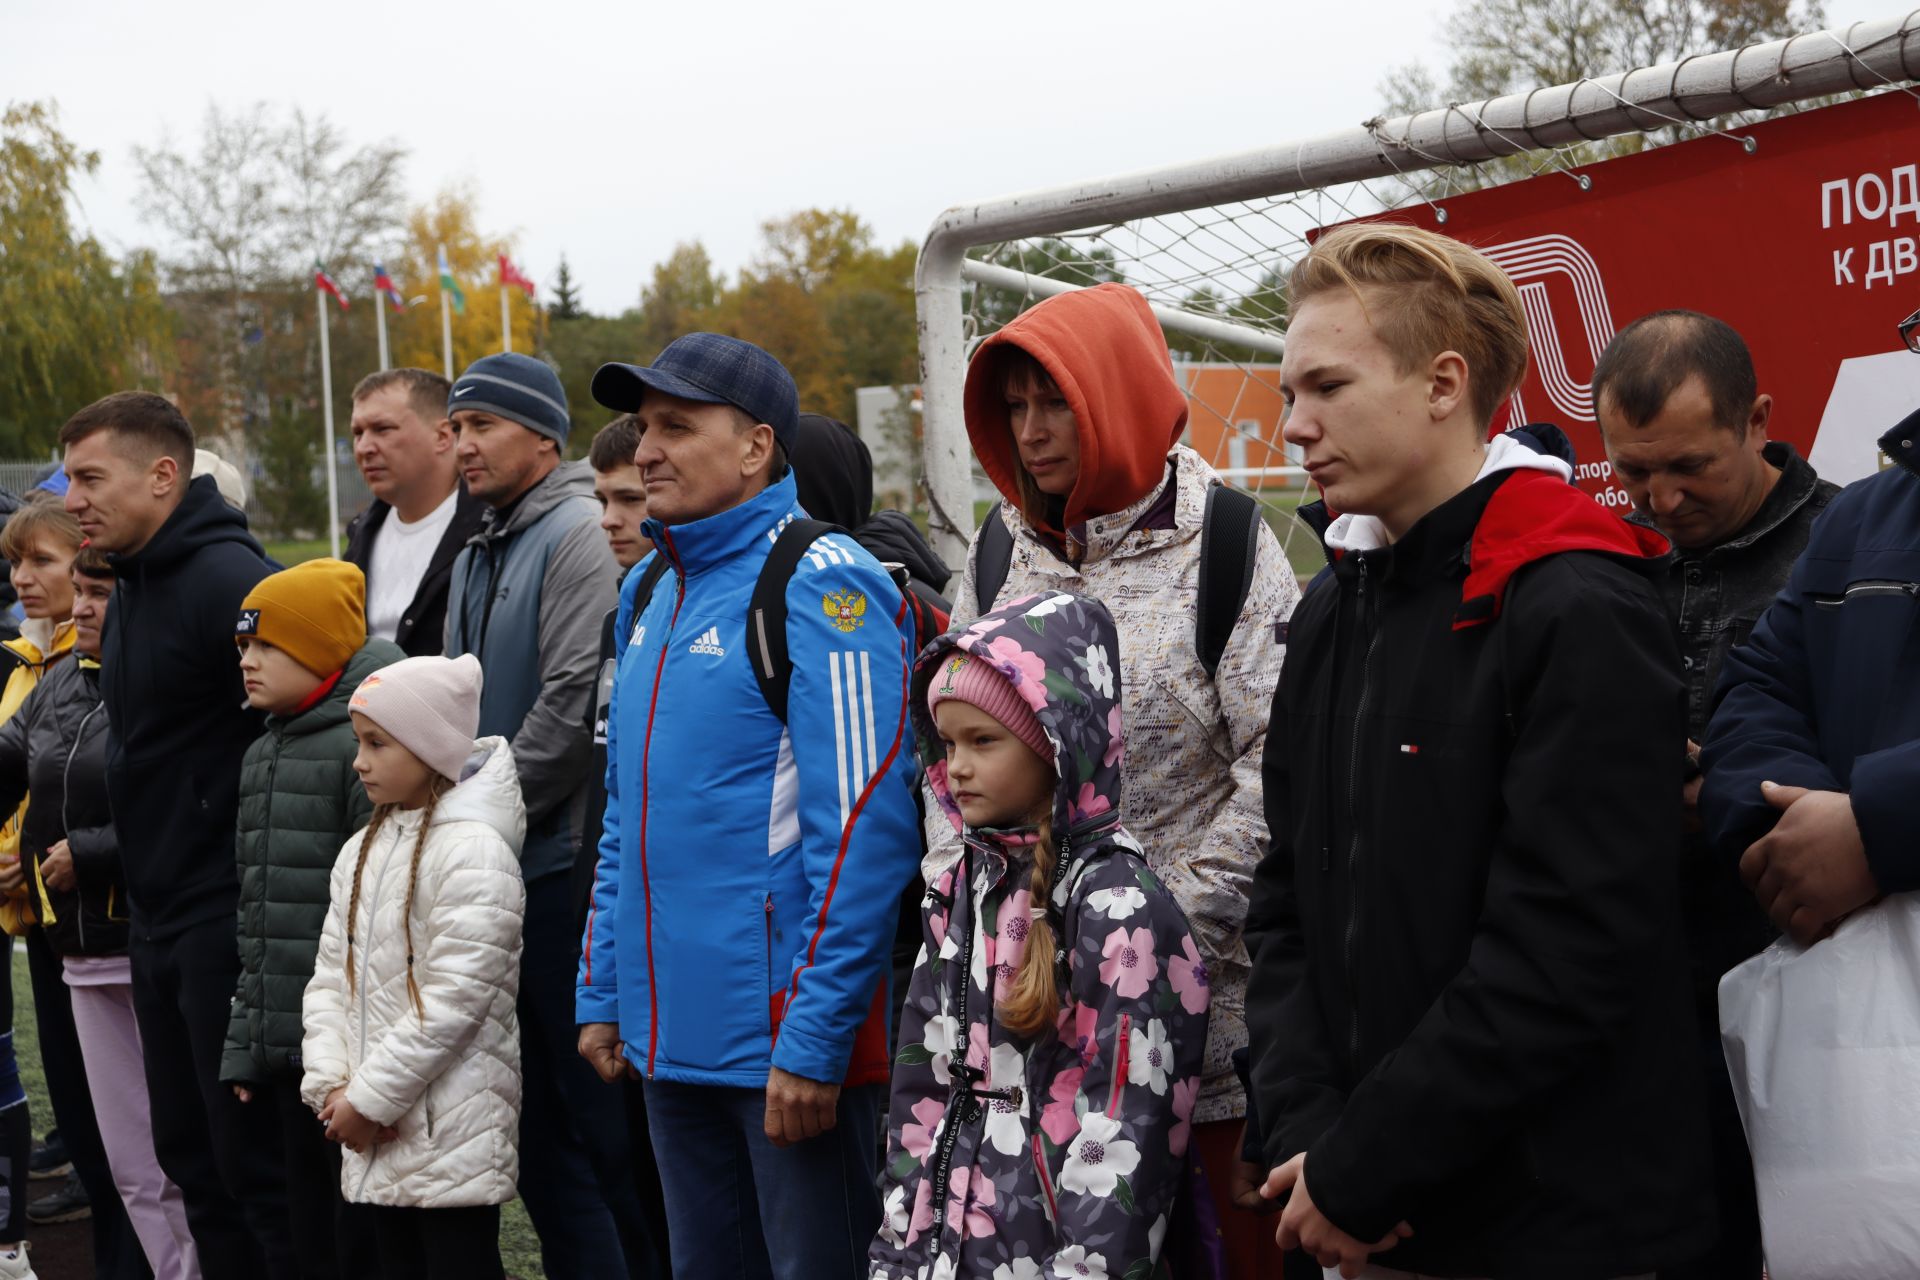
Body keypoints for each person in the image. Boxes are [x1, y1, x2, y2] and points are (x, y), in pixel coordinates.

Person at [1245, 223, 1712, 1279]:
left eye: (1325, 385)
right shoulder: (1330, 607)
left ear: (1444, 382)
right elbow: (1284, 900)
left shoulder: (1576, 599)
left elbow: (1570, 944)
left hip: (1553, 1226)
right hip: (1355, 1212)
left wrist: (1365, 1165)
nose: (1294, 425)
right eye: (1287, 392)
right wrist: (1313, 1139)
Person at [937, 281, 1299, 1271]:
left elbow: (1282, 759)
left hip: (1205, 1017)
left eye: (1056, 401)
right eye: (1013, 406)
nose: (1033, 430)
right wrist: (984, 927)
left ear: (1121, 393)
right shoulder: (999, 550)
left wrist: (1158, 926)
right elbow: (953, 751)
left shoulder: (1225, 543)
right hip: (1036, 1015)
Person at [577, 333, 921, 1280]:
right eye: (645, 427)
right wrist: (605, 987)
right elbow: (625, 813)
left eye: (677, 427)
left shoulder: (823, 580)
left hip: (782, 1052)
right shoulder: (648, 585)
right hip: (663, 1039)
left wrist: (815, 1040)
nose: (646, 450)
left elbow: (862, 836)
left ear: (756, 446)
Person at [1592, 310, 1839, 1280]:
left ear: (1759, 419)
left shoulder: (1854, 546)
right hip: (1655, 1000)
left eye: (1689, 464)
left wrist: (1753, 788)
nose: (1660, 496)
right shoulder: (1606, 561)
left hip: (1826, 973)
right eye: (1633, 469)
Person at [870, 590, 1209, 1278]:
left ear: (1059, 739)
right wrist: (899, 1256)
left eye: (984, 741)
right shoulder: (960, 890)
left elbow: (1127, 1133)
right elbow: (922, 1091)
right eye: (949, 743)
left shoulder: (1119, 911)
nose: (957, 766)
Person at [60, 391, 291, 1279]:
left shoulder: (232, 582)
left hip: (228, 920)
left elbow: (311, 742)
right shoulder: (134, 583)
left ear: (163, 475)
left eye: (90, 477)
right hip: (155, 922)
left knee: (252, 1170)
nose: (73, 498)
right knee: (191, 1162)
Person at [439, 354, 645, 1277]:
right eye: (457, 426)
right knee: (536, 1136)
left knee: (592, 1130)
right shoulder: (484, 539)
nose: (464, 443)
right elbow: (455, 700)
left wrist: (476, 821)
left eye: (482, 424)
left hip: (554, 866)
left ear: (543, 437)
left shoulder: (572, 532)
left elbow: (569, 708)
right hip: (499, 867)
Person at [1700, 301, 1920, 969]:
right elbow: (1757, 691)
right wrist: (1796, 830)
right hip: (1863, 999)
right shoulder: (1862, 516)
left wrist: (1875, 831)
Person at [0, 544, 198, 1280]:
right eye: (78, 592)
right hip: (76, 951)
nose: (79, 608)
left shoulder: (170, 683)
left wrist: (87, 852)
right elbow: (10, 760)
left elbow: (192, 798)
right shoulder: (60, 686)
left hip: (149, 941)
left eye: (99, 595)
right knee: (125, 1168)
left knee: (179, 1155)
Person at [300, 654, 526, 1280]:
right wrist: (332, 1089)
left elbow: (456, 1001)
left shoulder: (475, 851)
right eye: (358, 742)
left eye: (377, 743)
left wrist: (370, 1101)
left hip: (446, 1135)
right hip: (369, 1129)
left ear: (429, 749)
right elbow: (328, 981)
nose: (358, 761)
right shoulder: (362, 847)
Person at [221, 560, 403, 1279]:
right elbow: (258, 919)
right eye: (242, 648)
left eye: (268, 645)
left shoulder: (366, 752)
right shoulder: (265, 750)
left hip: (351, 1059)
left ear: (323, 647)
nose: (248, 662)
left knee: (356, 1234)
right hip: (292, 1049)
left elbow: (383, 912)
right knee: (305, 1225)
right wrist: (249, 1041)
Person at [344, 369, 486, 657]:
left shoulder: (488, 532)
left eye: (382, 429)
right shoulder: (362, 533)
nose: (364, 448)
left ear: (443, 436)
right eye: (358, 433)